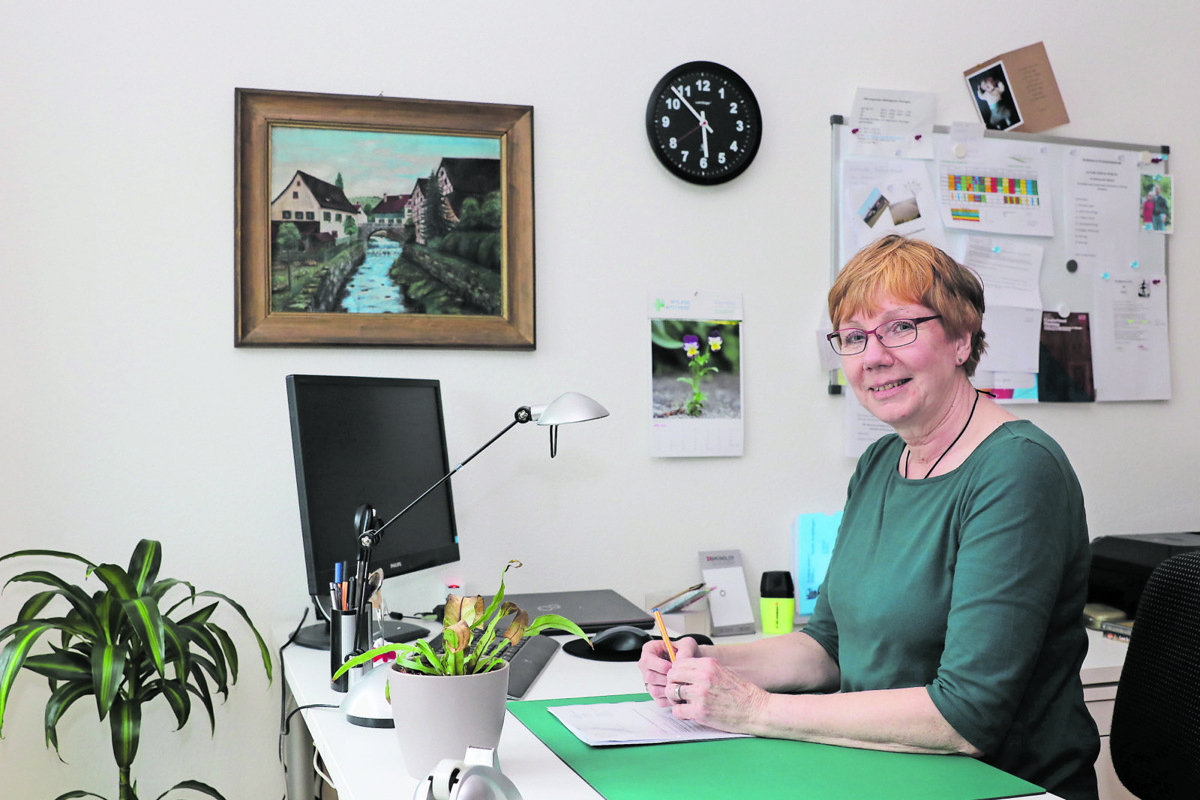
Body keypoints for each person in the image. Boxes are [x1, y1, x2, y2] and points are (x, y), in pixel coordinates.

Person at [639, 235, 1100, 800]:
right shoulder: (884, 459)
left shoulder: (1018, 471)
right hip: (885, 772)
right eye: (854, 337)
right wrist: (705, 663)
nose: (873, 356)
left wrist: (755, 709)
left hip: (1000, 786)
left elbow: (965, 717)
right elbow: (828, 646)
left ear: (961, 338)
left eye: (900, 327)